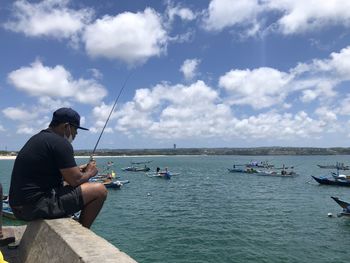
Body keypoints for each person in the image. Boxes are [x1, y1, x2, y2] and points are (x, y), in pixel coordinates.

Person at [9, 107, 107, 228]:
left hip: (18, 206)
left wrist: (78, 170)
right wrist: (91, 172)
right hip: (33, 207)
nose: (76, 134)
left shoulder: (38, 138)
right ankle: (83, 230)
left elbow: (58, 175)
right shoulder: (60, 143)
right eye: (75, 129)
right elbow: (75, 180)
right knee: (99, 190)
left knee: (68, 184)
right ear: (66, 126)